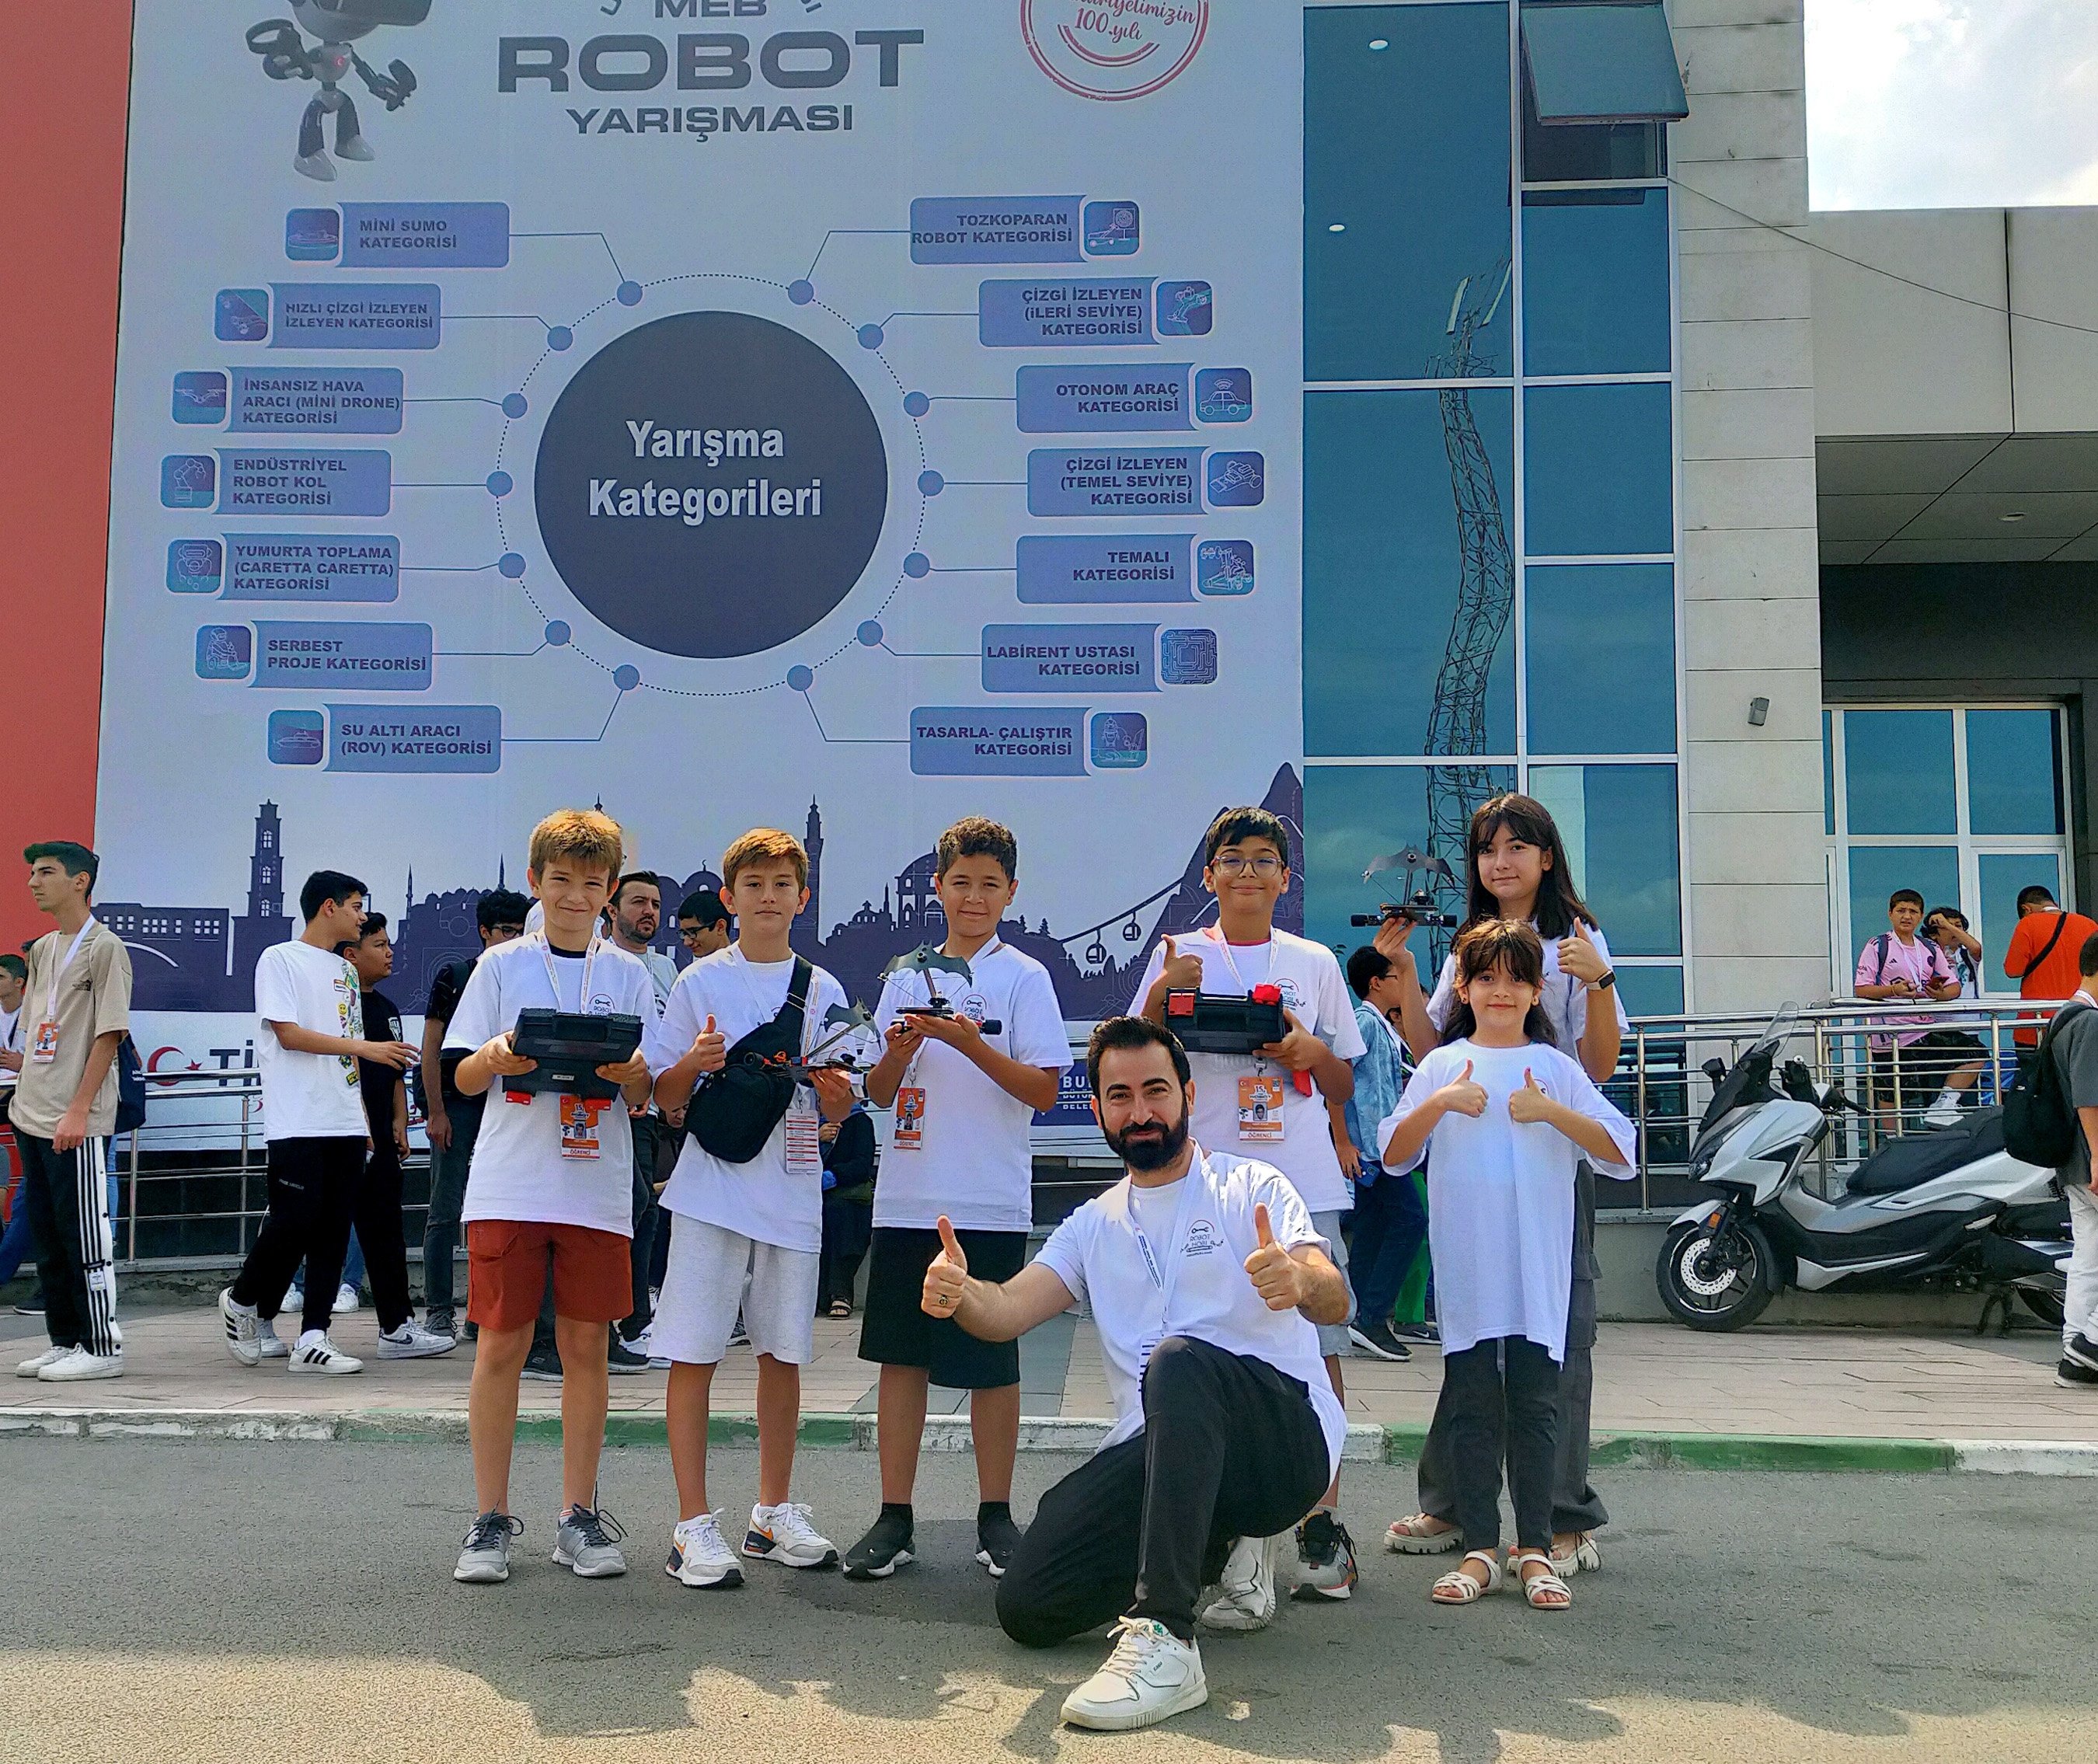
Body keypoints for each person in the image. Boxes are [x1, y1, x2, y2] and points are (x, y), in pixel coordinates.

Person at [935, 1015, 1346, 1733]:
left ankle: (1167, 1637)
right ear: (1097, 1111)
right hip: (1165, 1449)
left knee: (1179, 1360)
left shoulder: (1250, 1183)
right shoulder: (1093, 1223)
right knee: (1028, 1605)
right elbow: (1003, 1311)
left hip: (1280, 1446)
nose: (1141, 1111)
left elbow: (1329, 1285)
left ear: (1188, 1094)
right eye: (1119, 1096)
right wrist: (958, 1291)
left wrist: (1299, 1282)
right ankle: (1218, 1545)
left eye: (1156, 1090)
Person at [1382, 791, 1627, 1581]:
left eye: (1520, 845)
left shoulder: (1578, 940)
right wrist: (1413, 984)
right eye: (1489, 848)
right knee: (1468, 1336)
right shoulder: (1469, 948)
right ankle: (1456, 1503)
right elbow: (1435, 1049)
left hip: (1548, 1163)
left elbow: (1600, 1066)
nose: (1503, 860)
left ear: (1548, 856)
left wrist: (1602, 981)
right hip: (1470, 1166)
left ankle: (1557, 1514)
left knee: (1560, 1336)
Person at [1131, 806, 1364, 1614]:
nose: (1248, 874)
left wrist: (1309, 1053)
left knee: (1318, 1343)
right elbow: (1133, 1057)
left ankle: (1320, 1520)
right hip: (1203, 1187)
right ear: (1209, 875)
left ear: (1284, 877)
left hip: (1300, 1184)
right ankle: (1216, 1527)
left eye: (1265, 860)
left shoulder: (1314, 962)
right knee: (1200, 1347)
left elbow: (1344, 1084)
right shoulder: (1180, 954)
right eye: (1232, 860)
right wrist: (1167, 993)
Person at [845, 816, 1070, 1582]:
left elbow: (1043, 1088)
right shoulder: (904, 975)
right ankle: (893, 1515)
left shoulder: (1024, 976)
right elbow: (874, 1089)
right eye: (960, 882)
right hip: (908, 1195)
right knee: (901, 1360)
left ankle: (996, 1515)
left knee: (990, 1363)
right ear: (936, 887)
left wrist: (970, 1042)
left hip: (988, 1200)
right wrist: (904, 1050)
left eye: (990, 884)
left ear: (1012, 891)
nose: (974, 897)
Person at [447, 810, 657, 1584]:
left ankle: (577, 1513)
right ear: (537, 881)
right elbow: (462, 1073)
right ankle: (490, 1517)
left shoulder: (630, 973)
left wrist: (633, 1075)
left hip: (595, 1185)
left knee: (587, 1347)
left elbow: (651, 1087)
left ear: (609, 893)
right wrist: (497, 1055)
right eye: (561, 879)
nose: (576, 895)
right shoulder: (503, 966)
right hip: (511, 1179)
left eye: (592, 883)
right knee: (501, 1344)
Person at [647, 827, 856, 1589]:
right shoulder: (701, 982)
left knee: (783, 1352)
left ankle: (771, 1511)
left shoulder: (824, 987)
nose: (769, 896)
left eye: (782, 884)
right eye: (754, 884)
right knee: (695, 1349)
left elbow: (844, 1094)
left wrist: (838, 1096)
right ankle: (691, 1523)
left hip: (792, 1190)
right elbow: (661, 1098)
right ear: (729, 897)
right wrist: (691, 1066)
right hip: (710, 1193)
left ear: (803, 896)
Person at [219, 872, 416, 1375]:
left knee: (333, 1230)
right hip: (298, 1117)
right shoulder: (279, 958)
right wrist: (365, 1047)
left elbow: (347, 1059)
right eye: (355, 906)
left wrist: (363, 1118)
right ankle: (241, 1300)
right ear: (328, 907)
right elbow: (288, 1034)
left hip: (343, 1119)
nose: (361, 916)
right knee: (294, 1220)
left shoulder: (345, 972)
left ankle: (313, 1338)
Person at [9, 843, 132, 1382]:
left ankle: (102, 1347)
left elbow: (109, 1034)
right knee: (49, 1233)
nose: (34, 882)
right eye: (32, 873)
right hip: (31, 1111)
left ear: (80, 882)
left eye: (46, 873)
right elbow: (41, 1028)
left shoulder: (106, 948)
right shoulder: (40, 949)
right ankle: (65, 1341)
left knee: (83, 1233)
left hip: (73, 1118)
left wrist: (79, 1110)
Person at [333, 915, 452, 1361]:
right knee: (307, 1225)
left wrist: (400, 1123)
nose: (389, 953)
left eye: (390, 944)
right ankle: (260, 1311)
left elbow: (398, 1072)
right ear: (351, 955)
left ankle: (397, 1327)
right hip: (343, 1135)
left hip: (381, 1140)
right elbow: (344, 1072)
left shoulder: (386, 1008)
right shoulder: (336, 1009)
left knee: (385, 1231)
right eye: (379, 945)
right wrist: (360, 1120)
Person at [419, 887, 529, 1342]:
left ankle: (480, 1313)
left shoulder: (525, 974)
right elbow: (430, 1049)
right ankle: (438, 1311)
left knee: (500, 1215)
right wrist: (436, 1111)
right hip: (458, 1107)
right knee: (445, 1210)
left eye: (522, 932)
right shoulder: (456, 975)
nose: (514, 939)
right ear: (484, 932)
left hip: (506, 1109)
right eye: (506, 931)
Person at [1340, 943, 1430, 1362]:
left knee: (1374, 1228)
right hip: (1375, 1151)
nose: (1402, 986)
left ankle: (1356, 1314)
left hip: (1384, 1149)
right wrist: (1345, 1141)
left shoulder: (1383, 1027)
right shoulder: (1364, 1023)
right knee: (1411, 1220)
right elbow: (1339, 1085)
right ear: (1377, 983)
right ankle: (1371, 1315)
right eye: (1395, 978)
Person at [602, 870, 674, 1371]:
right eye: (637, 903)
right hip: (598, 1111)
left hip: (646, 1108)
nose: (647, 912)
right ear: (612, 908)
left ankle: (633, 1323)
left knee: (645, 1211)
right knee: (620, 1210)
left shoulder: (668, 970)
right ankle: (609, 1321)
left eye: (654, 904)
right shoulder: (599, 965)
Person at [1852, 888, 1961, 1130]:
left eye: (1913, 911)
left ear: (1920, 916)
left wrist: (1941, 994)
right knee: (1890, 1093)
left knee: (1974, 1054)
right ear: (1890, 914)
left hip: (1924, 1029)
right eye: (1901, 910)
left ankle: (1944, 1107)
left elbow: (1954, 985)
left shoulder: (1929, 947)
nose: (1907, 916)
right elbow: (1862, 989)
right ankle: (1892, 1142)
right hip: (1889, 1034)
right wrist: (1894, 991)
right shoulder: (1878, 945)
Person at [2047, 932, 2098, 1392]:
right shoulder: (2090, 1022)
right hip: (2093, 1158)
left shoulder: (2064, 1016)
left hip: (2072, 1162)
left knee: (2088, 1258)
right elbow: (2088, 1096)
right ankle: (2091, 1345)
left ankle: (2075, 1355)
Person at [1916, 905, 1991, 1125]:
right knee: (1934, 1094)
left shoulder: (1966, 955)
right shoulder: (1925, 955)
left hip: (1969, 1030)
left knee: (1965, 1100)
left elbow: (1976, 947)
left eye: (1959, 927)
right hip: (1937, 1031)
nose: (1954, 931)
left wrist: (1948, 925)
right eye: (1947, 927)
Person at [2005, 886, 2098, 1047]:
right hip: (2082, 1019)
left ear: (2025, 909)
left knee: (2033, 1071)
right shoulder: (2089, 925)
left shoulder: (2028, 924)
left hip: (2037, 1023)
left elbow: (2013, 970)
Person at [816, 1103, 876, 1318]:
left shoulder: (859, 1122)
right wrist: (816, 1139)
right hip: (809, 1195)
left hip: (847, 1196)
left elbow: (862, 1164)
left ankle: (841, 1293)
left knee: (841, 1215)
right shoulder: (808, 1120)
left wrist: (834, 1177)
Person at [678, 890, 733, 960]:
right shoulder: (692, 971)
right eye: (684, 933)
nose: (687, 942)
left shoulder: (748, 968)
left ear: (720, 927)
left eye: (692, 932)